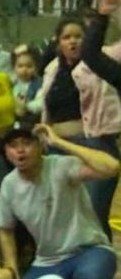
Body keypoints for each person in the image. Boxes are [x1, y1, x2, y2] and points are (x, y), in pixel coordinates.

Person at [0, 125, 118, 279]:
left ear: (40, 145)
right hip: (47, 261)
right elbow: (5, 229)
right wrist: (12, 270)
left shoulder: (61, 165)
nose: (20, 150)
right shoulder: (9, 185)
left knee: (90, 278)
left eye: (27, 143)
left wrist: (59, 141)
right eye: (13, 145)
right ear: (7, 153)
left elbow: (111, 167)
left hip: (89, 250)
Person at [40, 15, 121, 235]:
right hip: (57, 148)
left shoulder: (104, 58)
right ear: (58, 41)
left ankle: (102, 263)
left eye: (79, 36)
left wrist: (110, 12)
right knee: (63, 213)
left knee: (93, 213)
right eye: (67, 37)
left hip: (94, 145)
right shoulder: (52, 68)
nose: (73, 41)